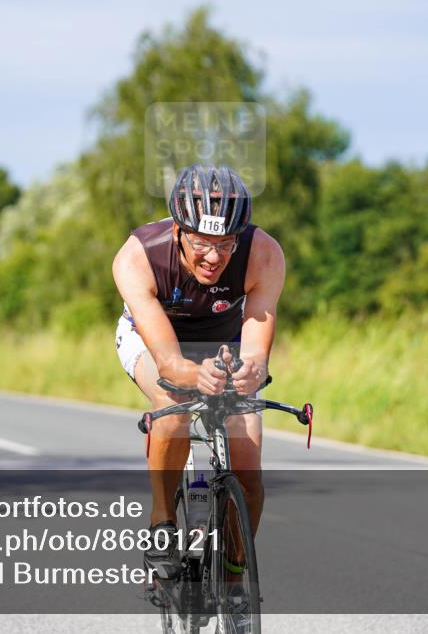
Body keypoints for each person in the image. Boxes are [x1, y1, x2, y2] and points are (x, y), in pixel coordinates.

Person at [111, 164, 285, 580]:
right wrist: (192, 376)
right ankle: (161, 522)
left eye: (225, 244)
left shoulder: (263, 252)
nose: (213, 256)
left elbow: (258, 342)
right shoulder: (138, 256)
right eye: (201, 243)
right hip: (155, 339)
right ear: (177, 230)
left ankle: (233, 577)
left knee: (248, 472)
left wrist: (253, 369)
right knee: (173, 401)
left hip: (223, 342)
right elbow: (170, 364)